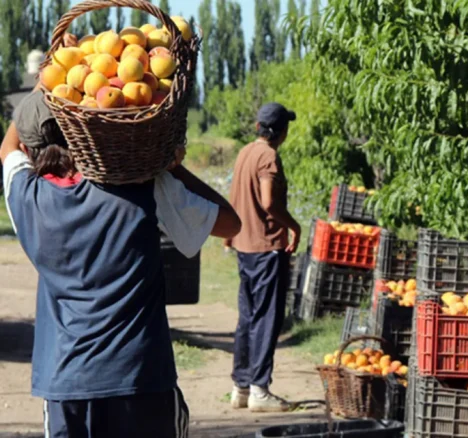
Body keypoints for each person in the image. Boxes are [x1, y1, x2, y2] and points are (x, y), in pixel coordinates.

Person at [0, 90, 242, 437]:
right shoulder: (145, 187)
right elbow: (231, 223)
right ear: (88, 129)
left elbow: (7, 150)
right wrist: (171, 168)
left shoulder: (28, 198)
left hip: (66, 387)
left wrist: (41, 89)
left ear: (29, 146)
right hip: (140, 380)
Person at [226, 102, 301, 412]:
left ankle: (240, 387)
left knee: (248, 317)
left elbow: (235, 195)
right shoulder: (268, 156)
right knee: (267, 318)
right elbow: (269, 202)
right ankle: (260, 389)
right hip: (267, 247)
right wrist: (294, 226)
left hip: (244, 245)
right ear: (280, 131)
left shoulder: (245, 153)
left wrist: (229, 234)